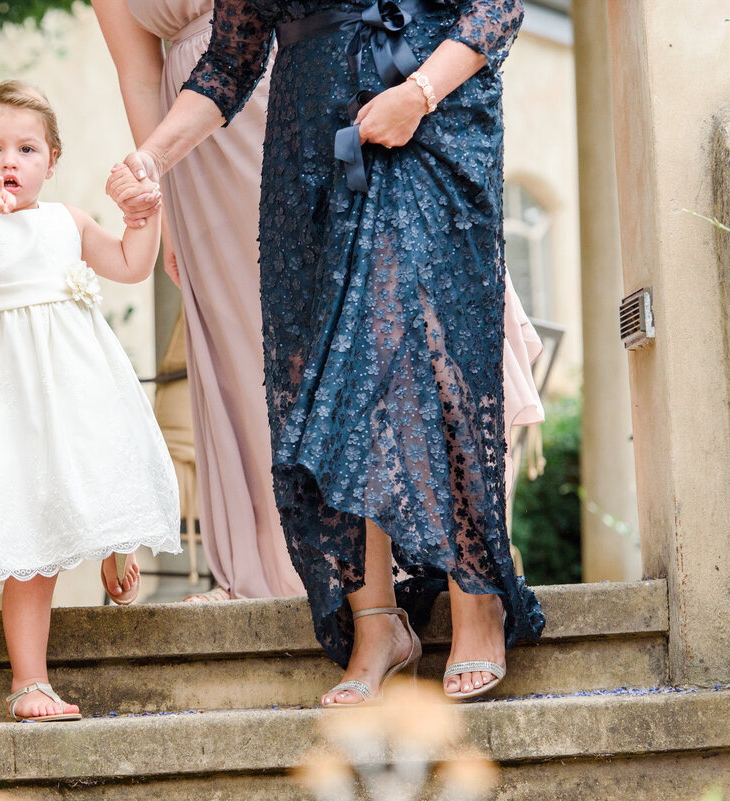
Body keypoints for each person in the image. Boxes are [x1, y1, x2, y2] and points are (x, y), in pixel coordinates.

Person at [108, 0, 544, 703]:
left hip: (433, 119)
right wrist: (151, 156)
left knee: (432, 360)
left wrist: (419, 93)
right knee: (330, 378)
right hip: (308, 140)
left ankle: (477, 597)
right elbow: (229, 62)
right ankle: (375, 624)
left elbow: (497, 7)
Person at [0, 80, 180, 722]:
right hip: (7, 400)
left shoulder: (68, 221)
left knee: (95, 462)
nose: (10, 161)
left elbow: (129, 264)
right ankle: (29, 682)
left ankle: (115, 541)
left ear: (51, 161)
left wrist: (144, 218)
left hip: (77, 384)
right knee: (25, 525)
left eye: (27, 148)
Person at [93, 0, 305, 603]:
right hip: (192, 149)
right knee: (242, 350)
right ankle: (273, 562)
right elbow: (136, 74)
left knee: (324, 325)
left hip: (282, 83)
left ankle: (380, 550)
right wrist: (160, 200)